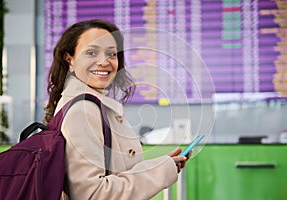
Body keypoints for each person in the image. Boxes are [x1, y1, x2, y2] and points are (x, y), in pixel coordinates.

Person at [44, 19, 190, 200]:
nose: (104, 62)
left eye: (112, 54)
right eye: (91, 52)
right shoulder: (82, 110)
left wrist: (160, 166)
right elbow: (92, 194)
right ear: (70, 60)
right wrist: (160, 172)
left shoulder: (91, 105)